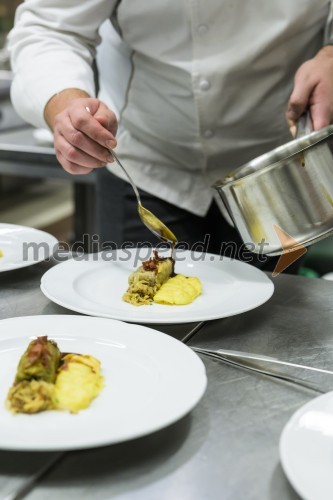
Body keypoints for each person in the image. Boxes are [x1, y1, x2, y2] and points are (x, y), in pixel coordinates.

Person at [7, 1, 333, 271]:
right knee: (136, 328)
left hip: (274, 172)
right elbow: (50, 28)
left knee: (267, 325)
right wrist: (66, 105)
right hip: (145, 165)